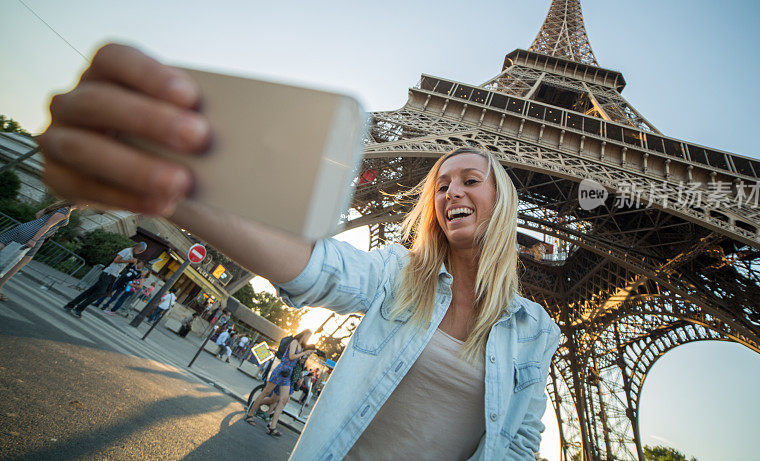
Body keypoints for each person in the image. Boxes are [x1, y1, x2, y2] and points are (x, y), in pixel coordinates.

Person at [38, 45, 561, 459]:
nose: (452, 192)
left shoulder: (535, 332)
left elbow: (515, 443)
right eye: (441, 185)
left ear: (502, 202)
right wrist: (174, 191)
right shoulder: (398, 275)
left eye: (471, 180)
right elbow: (321, 268)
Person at [0, 201, 76, 300]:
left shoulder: (57, 206)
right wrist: (35, 239)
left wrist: (39, 224)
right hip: (36, 236)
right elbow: (47, 225)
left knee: (3, 243)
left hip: (26, 227)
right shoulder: (65, 211)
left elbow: (38, 214)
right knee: (20, 263)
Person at [245, 330, 315, 435]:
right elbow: (291, 356)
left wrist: (304, 357)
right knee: (265, 392)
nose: (308, 339)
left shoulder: (300, 346)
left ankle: (272, 427)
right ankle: (250, 414)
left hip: (288, 373)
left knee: (283, 400)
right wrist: (303, 353)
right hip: (282, 369)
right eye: (308, 336)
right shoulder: (294, 342)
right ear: (303, 334)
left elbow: (297, 361)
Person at [64, 242, 147, 318]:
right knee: (100, 293)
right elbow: (116, 260)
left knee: (91, 291)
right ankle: (79, 308)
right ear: (136, 246)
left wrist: (131, 262)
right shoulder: (127, 251)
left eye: (141, 251)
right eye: (140, 250)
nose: (139, 252)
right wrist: (129, 260)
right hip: (108, 273)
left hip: (113, 275)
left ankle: (71, 305)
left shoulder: (131, 254)